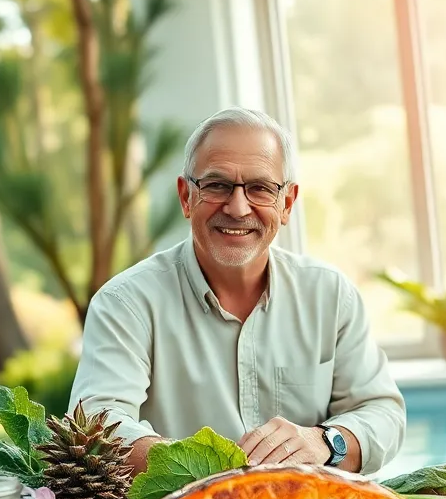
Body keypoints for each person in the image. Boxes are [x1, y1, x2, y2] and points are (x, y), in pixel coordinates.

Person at [68, 107, 405, 477]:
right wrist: (215, 470)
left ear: (287, 203)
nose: (238, 207)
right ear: (186, 197)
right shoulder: (126, 303)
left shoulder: (330, 295)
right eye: (217, 185)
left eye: (260, 188)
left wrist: (326, 441)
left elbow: (383, 412)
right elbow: (96, 425)